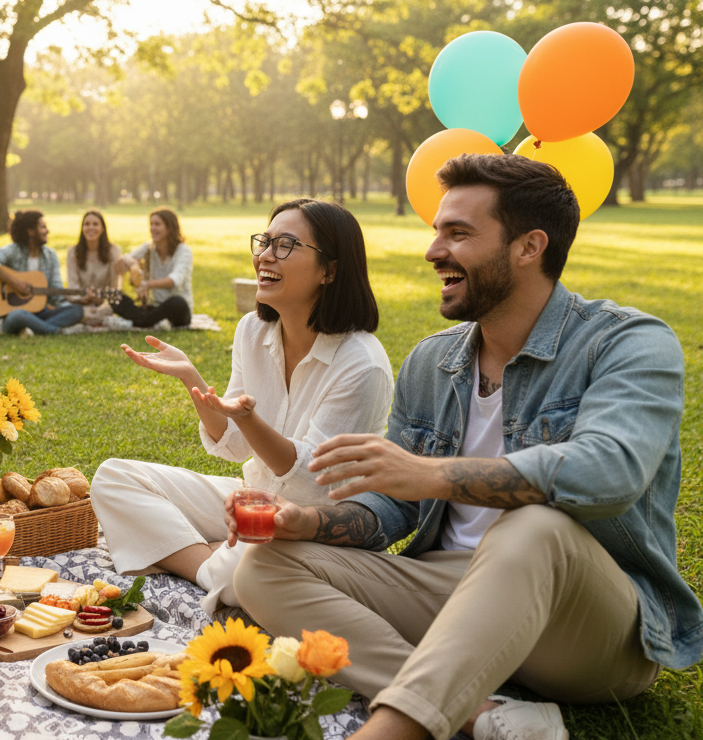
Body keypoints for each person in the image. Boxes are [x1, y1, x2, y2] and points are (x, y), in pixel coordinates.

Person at [232, 154, 701, 740]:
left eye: (458, 234)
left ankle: (393, 730)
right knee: (263, 565)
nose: (433, 251)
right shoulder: (434, 360)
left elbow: (609, 472)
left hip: (589, 629)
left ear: (529, 246)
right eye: (436, 231)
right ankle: (478, 711)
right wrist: (307, 520)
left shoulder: (627, 342)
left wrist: (434, 475)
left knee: (531, 526)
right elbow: (392, 510)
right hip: (455, 594)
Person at [91, 199, 392, 617]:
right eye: (264, 242)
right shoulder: (253, 330)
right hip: (251, 500)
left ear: (330, 270)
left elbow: (312, 484)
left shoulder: (362, 363)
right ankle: (208, 563)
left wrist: (250, 420)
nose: (265, 255)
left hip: (309, 526)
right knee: (113, 478)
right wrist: (192, 379)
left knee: (250, 572)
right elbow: (232, 446)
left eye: (286, 245)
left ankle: (203, 561)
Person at [0, 209, 84, 336]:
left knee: (77, 311)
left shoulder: (50, 256)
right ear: (31, 232)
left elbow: (57, 293)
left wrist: (80, 299)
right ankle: (54, 330)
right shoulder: (14, 250)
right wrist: (15, 283)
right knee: (18, 315)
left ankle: (36, 328)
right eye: (43, 227)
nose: (47, 231)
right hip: (14, 314)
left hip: (42, 312)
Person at [109, 208, 194, 329]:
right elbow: (125, 259)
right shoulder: (149, 247)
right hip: (154, 308)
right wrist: (134, 266)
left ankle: (136, 322)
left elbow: (174, 281)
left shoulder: (183, 251)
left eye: (157, 224)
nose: (152, 228)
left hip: (177, 310)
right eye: (151, 224)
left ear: (169, 228)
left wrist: (147, 285)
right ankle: (152, 322)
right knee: (113, 296)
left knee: (177, 302)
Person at [66, 209, 123, 326]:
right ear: (82, 228)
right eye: (87, 224)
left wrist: (101, 299)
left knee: (111, 309)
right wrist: (84, 298)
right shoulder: (73, 252)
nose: (91, 228)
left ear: (102, 228)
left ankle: (88, 322)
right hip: (80, 305)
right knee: (70, 310)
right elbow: (72, 286)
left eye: (95, 224)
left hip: (105, 305)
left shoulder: (114, 251)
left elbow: (115, 287)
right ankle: (98, 322)